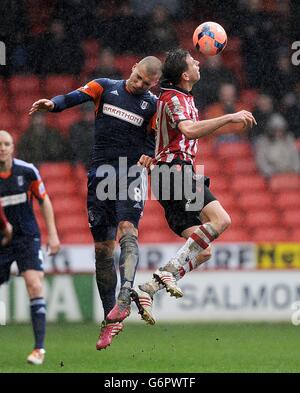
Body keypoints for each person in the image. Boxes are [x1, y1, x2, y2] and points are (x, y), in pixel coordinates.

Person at [29, 56, 162, 349]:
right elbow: (74, 96)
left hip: (130, 176)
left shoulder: (153, 105)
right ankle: (110, 319)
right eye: (137, 76)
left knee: (128, 230)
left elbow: (159, 140)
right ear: (132, 69)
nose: (138, 84)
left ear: (153, 84)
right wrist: (52, 104)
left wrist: (149, 153)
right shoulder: (104, 87)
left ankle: (126, 296)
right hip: (100, 178)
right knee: (103, 251)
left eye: (145, 82)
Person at [130, 48, 256, 325]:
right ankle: (169, 270)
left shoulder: (181, 97)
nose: (199, 62)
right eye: (193, 61)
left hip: (169, 175)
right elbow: (188, 130)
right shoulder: (174, 98)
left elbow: (166, 132)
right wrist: (229, 116)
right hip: (174, 171)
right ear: (185, 74)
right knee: (222, 220)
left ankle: (149, 289)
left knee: (204, 248)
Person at [0, 130, 60, 364]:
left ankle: (39, 349)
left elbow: (44, 201)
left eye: (6, 143)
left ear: (13, 147)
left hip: (27, 237)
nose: (2, 147)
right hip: (2, 241)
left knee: (35, 285)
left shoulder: (27, 171)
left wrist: (53, 235)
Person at [255, 113, 300, 178]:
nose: (278, 132)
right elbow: (261, 161)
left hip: (290, 173)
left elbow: (295, 157)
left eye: (281, 130)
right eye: (275, 130)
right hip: (273, 175)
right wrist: (270, 172)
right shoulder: (263, 142)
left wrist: (296, 170)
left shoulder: (289, 139)